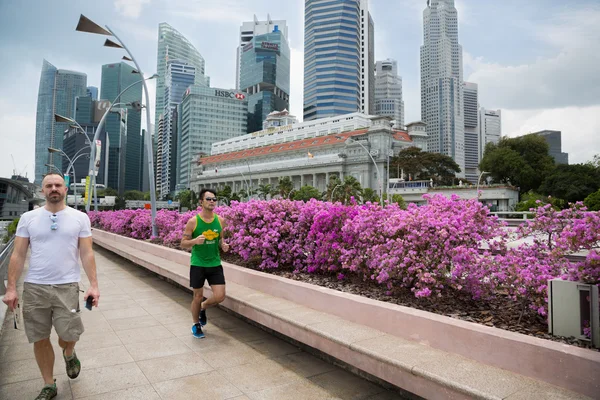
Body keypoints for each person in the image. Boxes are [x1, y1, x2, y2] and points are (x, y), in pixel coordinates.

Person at [2, 173, 100, 400]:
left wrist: (94, 285)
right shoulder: (28, 218)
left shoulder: (80, 218)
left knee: (69, 334)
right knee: (40, 337)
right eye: (49, 185)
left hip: (67, 286)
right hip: (35, 287)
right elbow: (18, 254)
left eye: (58, 185)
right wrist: (11, 288)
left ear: (65, 189)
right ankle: (48, 384)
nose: (54, 188)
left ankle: (69, 352)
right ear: (42, 191)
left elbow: (87, 253)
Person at [181, 188, 229, 339]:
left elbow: (221, 238)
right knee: (197, 296)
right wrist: (195, 241)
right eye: (208, 199)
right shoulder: (193, 222)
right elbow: (183, 243)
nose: (212, 201)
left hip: (214, 263)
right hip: (198, 264)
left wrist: (223, 244)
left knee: (220, 296)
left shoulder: (220, 220)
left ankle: (203, 307)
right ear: (201, 202)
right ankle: (196, 324)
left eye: (214, 199)